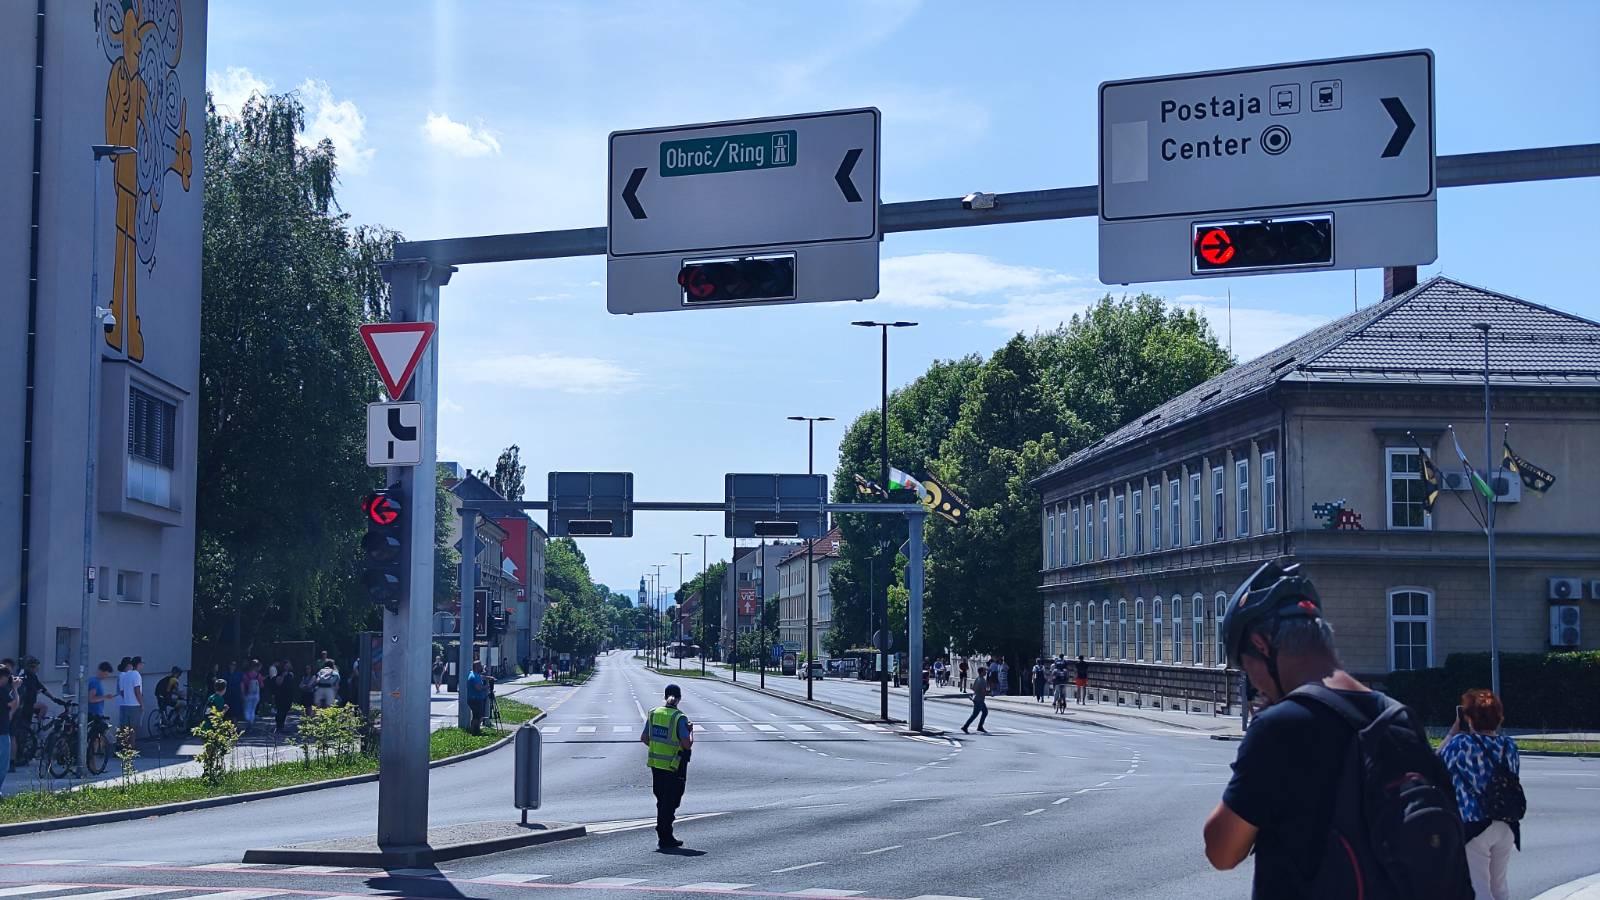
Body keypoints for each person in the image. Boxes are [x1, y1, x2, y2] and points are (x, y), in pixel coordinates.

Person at [1202, 560, 1470, 899]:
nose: (1255, 686)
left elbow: (1221, 851)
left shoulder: (1280, 728)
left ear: (1262, 645)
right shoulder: (1398, 717)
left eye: (1247, 669)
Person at [1438, 688, 1523, 900]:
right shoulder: (1509, 746)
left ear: (1469, 718)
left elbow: (1434, 763)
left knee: (1480, 889)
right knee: (1499, 888)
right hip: (1507, 823)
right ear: (1499, 718)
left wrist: (1451, 733)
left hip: (1475, 825)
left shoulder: (1461, 745)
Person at [640, 683, 694, 850]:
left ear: (665, 696)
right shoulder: (680, 718)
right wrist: (691, 732)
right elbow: (686, 744)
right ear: (678, 699)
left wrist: (657, 748)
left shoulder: (654, 713)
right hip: (674, 766)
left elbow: (644, 738)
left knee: (662, 800)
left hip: (656, 765)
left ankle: (663, 833)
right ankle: (665, 836)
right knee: (671, 801)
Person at [116, 655, 145, 739]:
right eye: (142, 664)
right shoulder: (136, 675)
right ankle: (131, 750)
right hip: (134, 705)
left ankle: (125, 749)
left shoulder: (127, 675)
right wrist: (142, 704)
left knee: (126, 730)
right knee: (132, 731)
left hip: (126, 704)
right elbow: (137, 691)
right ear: (138, 664)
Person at [0, 664, 17, 787]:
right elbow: (14, 704)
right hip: (2, 732)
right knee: (2, 765)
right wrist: (15, 689)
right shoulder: (2, 690)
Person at [962, 665, 990, 734]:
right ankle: (965, 727)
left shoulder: (977, 678)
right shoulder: (982, 680)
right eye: (984, 671)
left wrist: (977, 692)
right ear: (981, 672)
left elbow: (973, 688)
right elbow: (983, 691)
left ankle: (980, 727)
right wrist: (989, 692)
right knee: (974, 715)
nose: (985, 672)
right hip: (979, 700)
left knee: (985, 712)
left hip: (977, 698)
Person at [465, 661, 490, 734]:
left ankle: (477, 730)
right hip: (474, 699)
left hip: (477, 698)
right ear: (476, 667)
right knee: (477, 716)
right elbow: (478, 688)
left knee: (478, 716)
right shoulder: (473, 676)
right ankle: (474, 731)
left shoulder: (475, 674)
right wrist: (486, 687)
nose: (482, 667)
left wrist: (488, 677)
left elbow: (481, 677)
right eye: (480, 666)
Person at [273, 660, 297, 732]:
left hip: (288, 695)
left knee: (285, 710)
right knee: (280, 711)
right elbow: (278, 683)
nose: (287, 667)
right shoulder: (279, 674)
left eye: (288, 665)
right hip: (280, 694)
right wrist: (283, 675)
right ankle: (278, 726)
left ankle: (282, 725)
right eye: (286, 666)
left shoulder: (291, 674)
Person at [241, 660, 264, 725]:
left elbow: (243, 683)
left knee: (247, 709)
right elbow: (261, 685)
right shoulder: (258, 675)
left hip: (248, 694)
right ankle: (251, 722)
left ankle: (248, 721)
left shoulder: (246, 674)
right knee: (253, 709)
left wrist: (243, 693)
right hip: (256, 695)